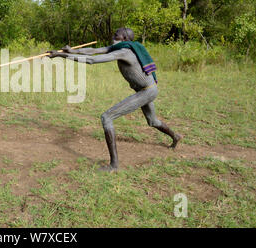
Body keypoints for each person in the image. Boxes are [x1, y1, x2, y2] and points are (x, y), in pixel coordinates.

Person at [48, 28, 182, 172]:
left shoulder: (124, 52)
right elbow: (92, 51)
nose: (113, 36)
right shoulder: (118, 47)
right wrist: (69, 51)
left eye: (116, 34)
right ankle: (176, 136)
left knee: (107, 117)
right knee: (153, 121)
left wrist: (62, 56)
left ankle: (114, 165)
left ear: (124, 38)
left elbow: (92, 60)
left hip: (146, 91)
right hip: (148, 89)